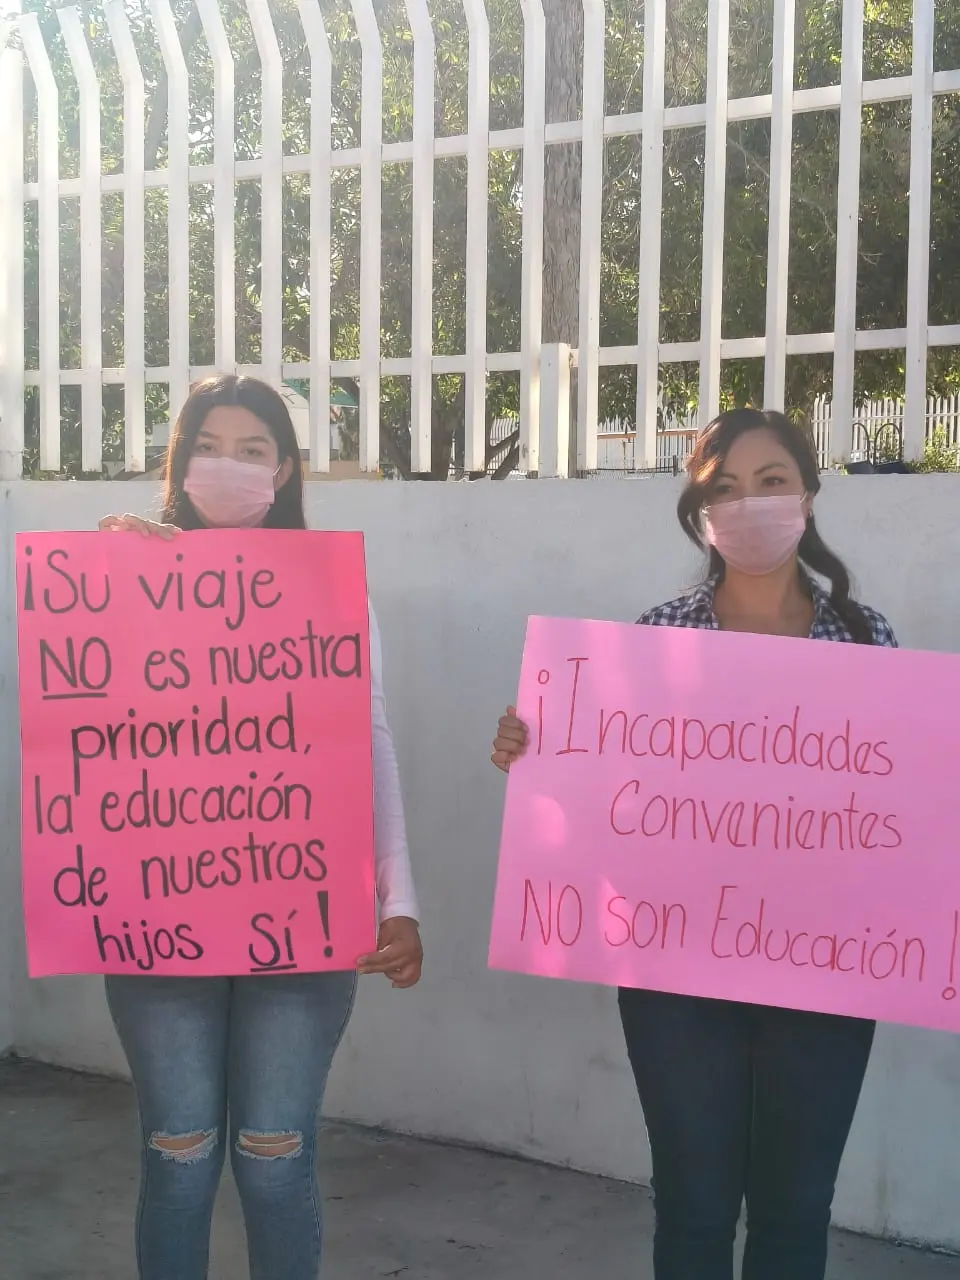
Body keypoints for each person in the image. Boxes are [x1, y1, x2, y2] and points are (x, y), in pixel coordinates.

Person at [490, 408, 896, 1280]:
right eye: (725, 488)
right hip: (678, 976)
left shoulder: (868, 641)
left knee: (795, 1215)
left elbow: (902, 814)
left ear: (811, 498)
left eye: (772, 482)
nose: (750, 504)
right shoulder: (656, 637)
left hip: (826, 974)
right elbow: (602, 801)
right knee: (694, 1208)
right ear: (700, 513)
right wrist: (538, 755)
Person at [98, 374, 422, 1280]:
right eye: (209, 444)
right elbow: (80, 730)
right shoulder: (121, 579)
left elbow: (369, 742)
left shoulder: (331, 592)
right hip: (159, 923)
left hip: (304, 925)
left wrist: (402, 899)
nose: (229, 465)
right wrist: (116, 580)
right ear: (179, 461)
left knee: (276, 1158)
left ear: (284, 471)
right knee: (178, 1153)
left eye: (253, 449)